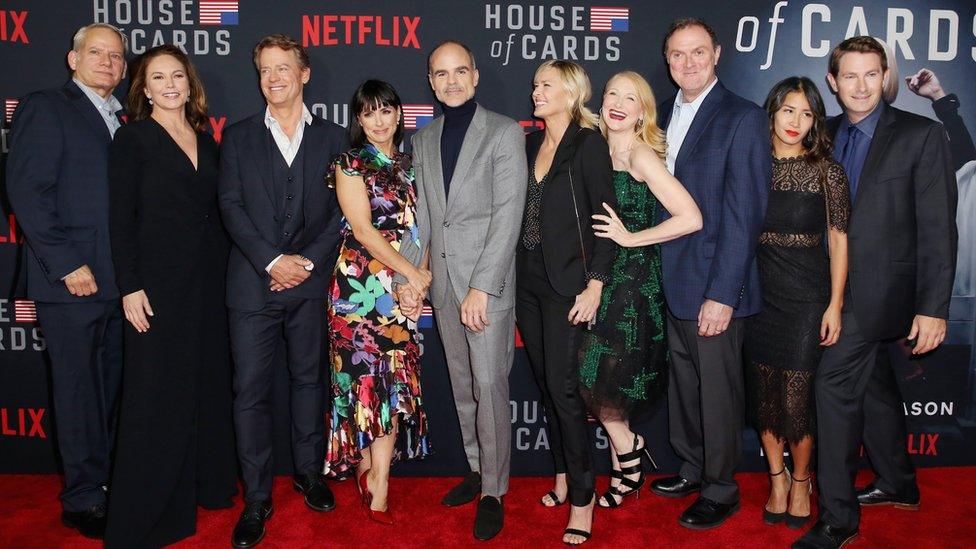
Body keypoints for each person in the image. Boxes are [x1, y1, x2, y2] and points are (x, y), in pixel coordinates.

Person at [793, 36, 957, 549]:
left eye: (871, 75)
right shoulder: (823, 135)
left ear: (885, 76)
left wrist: (933, 308)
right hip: (826, 288)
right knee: (875, 388)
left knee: (833, 391)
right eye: (850, 76)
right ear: (832, 82)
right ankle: (898, 483)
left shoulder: (922, 135)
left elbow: (938, 229)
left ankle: (837, 520)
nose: (861, 86)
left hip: (881, 293)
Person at [103, 44, 238, 548]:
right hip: (156, 288)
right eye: (157, 77)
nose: (169, 85)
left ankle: (209, 485)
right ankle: (153, 512)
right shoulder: (132, 140)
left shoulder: (209, 141)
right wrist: (130, 286)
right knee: (157, 394)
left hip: (209, 284)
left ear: (190, 82)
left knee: (206, 383)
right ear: (143, 88)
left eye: (177, 75)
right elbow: (120, 221)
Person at [218, 34, 348, 549]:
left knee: (307, 383)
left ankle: (308, 473)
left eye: (283, 68)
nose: (273, 77)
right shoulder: (239, 135)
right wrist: (273, 261)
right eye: (265, 69)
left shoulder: (337, 138)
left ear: (304, 74)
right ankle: (255, 497)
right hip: (251, 286)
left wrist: (306, 263)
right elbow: (231, 206)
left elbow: (344, 212)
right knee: (249, 393)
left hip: (311, 285)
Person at [395, 40, 527, 541]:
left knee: (490, 385)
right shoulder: (423, 139)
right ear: (431, 81)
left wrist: (482, 288)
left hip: (483, 288)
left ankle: (494, 490)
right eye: (440, 74)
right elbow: (424, 218)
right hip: (443, 290)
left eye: (459, 72)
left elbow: (507, 216)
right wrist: (411, 275)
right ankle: (475, 470)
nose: (451, 81)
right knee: (462, 383)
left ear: (474, 76)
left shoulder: (504, 131)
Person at [5, 23, 128, 540]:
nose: (108, 63)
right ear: (72, 59)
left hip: (121, 286)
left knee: (111, 390)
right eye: (96, 53)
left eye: (117, 57)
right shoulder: (45, 106)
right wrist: (66, 264)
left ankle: (110, 484)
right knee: (78, 393)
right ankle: (82, 497)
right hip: (71, 283)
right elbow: (26, 191)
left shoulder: (124, 117)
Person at [648, 18, 771, 531]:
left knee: (718, 395)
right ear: (668, 60)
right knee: (685, 388)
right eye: (678, 54)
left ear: (717, 53)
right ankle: (693, 468)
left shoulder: (741, 117)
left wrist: (724, 293)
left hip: (715, 285)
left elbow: (746, 214)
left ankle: (722, 489)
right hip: (671, 280)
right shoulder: (659, 115)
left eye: (698, 52)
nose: (689, 63)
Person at [584, 71, 702, 509]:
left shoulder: (641, 155)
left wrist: (632, 236)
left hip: (633, 286)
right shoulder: (594, 147)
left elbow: (690, 216)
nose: (617, 102)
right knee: (595, 378)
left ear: (642, 112)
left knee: (608, 379)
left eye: (629, 98)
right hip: (598, 279)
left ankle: (628, 458)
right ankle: (626, 457)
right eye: (612, 92)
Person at [517, 60, 617, 545]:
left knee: (563, 389)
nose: (536, 91)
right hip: (527, 280)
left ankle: (583, 496)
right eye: (535, 85)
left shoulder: (588, 143)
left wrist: (595, 284)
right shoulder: (532, 141)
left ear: (572, 92)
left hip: (569, 284)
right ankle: (560, 475)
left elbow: (606, 219)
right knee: (543, 382)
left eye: (546, 85)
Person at [746, 77, 850, 531]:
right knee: (764, 398)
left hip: (808, 298)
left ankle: (803, 480)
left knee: (795, 399)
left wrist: (835, 304)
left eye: (807, 114)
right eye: (789, 110)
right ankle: (777, 478)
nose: (796, 122)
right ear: (772, 111)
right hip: (757, 295)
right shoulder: (751, 163)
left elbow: (839, 240)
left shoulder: (827, 170)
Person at [326, 79, 431, 525]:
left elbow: (424, 228)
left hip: (403, 286)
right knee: (364, 383)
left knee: (391, 382)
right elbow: (365, 231)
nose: (378, 121)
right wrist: (412, 274)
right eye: (368, 113)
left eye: (385, 110)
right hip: (358, 289)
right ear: (359, 119)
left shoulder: (414, 163)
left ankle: (379, 483)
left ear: (398, 113)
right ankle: (372, 472)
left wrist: (417, 284)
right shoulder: (349, 163)